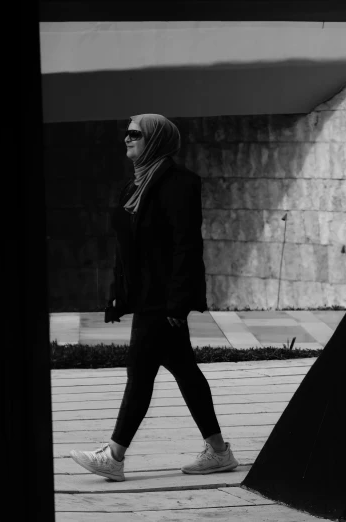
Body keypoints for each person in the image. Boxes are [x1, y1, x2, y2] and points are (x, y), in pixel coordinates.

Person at [69, 114, 238, 482]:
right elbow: (124, 248)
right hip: (145, 295)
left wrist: (178, 302)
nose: (126, 138)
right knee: (183, 369)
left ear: (157, 139)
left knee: (140, 372)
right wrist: (118, 294)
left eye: (135, 134)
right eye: (126, 133)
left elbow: (186, 247)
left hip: (163, 299)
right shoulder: (132, 187)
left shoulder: (180, 184)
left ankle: (114, 455)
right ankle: (220, 451)